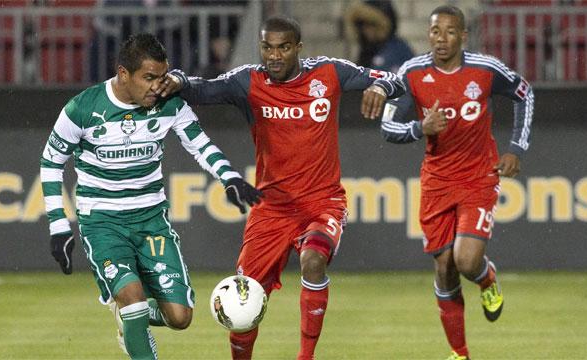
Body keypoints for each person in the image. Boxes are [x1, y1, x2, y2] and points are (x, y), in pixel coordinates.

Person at [157, 15, 405, 360]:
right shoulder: (248, 81)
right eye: (268, 48)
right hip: (271, 209)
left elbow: (396, 79)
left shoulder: (329, 73)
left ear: (298, 49)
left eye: (283, 48)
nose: (274, 56)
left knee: (314, 260)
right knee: (243, 298)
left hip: (323, 203)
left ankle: (305, 357)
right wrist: (179, 78)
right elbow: (202, 88)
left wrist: (379, 87)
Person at [40, 33, 261, 359]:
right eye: (149, 78)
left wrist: (228, 177)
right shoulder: (83, 108)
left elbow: (199, 144)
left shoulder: (169, 103)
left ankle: (130, 317)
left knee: (180, 318)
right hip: (103, 222)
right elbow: (51, 162)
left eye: (162, 76)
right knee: (132, 298)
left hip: (150, 220)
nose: (158, 86)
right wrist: (59, 225)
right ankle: (131, 314)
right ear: (123, 74)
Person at [380, 5, 534, 360]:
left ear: (463, 37)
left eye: (450, 32)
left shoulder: (485, 70)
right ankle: (460, 353)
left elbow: (525, 93)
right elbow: (388, 127)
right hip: (436, 181)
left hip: (479, 176)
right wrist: (420, 128)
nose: (441, 39)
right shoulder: (412, 72)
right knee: (444, 266)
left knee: (465, 261)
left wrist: (516, 148)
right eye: (435, 32)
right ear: (429, 34)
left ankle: (487, 279)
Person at [345, 0, 414, 74]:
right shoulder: (367, 52)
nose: (366, 30)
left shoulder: (397, 51)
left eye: (371, 24)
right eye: (362, 24)